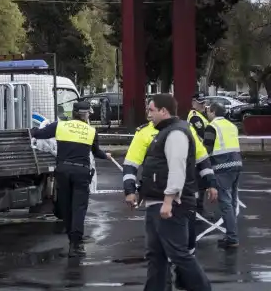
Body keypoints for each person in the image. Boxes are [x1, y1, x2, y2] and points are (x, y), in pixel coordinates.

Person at [122, 105, 217, 290]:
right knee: (158, 253)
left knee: (182, 250)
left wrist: (211, 182)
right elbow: (131, 164)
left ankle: (191, 283)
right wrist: (130, 190)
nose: (148, 114)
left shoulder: (180, 132)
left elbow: (201, 159)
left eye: (151, 110)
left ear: (163, 111)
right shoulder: (144, 133)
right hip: (158, 199)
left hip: (180, 199)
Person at [32, 100, 110, 256]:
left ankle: (70, 237)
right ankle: (75, 245)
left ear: (73, 113)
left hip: (63, 170)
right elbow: (96, 152)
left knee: (66, 206)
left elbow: (39, 134)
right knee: (79, 208)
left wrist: (31, 129)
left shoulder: (60, 126)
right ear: (86, 114)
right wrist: (106, 156)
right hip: (81, 173)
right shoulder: (91, 131)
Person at [203, 102, 242, 249]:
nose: (207, 113)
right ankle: (231, 234)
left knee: (225, 203)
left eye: (208, 111)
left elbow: (206, 149)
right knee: (231, 202)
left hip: (221, 166)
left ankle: (232, 237)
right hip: (237, 165)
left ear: (213, 111)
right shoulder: (231, 126)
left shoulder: (212, 126)